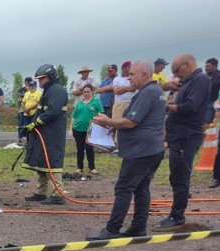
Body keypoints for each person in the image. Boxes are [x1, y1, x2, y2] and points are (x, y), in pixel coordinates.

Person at [86, 60, 166, 240]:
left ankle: (112, 229)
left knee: (123, 188)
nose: (129, 78)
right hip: (153, 149)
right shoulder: (156, 92)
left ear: (144, 75)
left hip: (141, 151)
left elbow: (131, 122)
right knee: (141, 188)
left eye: (132, 74)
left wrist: (108, 121)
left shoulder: (147, 93)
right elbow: (139, 120)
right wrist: (115, 126)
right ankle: (138, 227)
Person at [154, 53, 210, 230]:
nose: (176, 76)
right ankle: (175, 214)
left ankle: (177, 216)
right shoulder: (189, 82)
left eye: (176, 71)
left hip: (187, 135)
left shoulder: (200, 80)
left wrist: (166, 107)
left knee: (180, 175)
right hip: (179, 135)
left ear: (187, 65)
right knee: (176, 174)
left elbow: (190, 107)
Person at [21, 63, 69, 205]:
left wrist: (36, 123)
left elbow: (53, 112)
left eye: (42, 79)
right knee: (41, 160)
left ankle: (57, 194)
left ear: (51, 77)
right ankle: (41, 192)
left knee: (52, 162)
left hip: (53, 134)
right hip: (43, 133)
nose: (39, 81)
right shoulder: (48, 91)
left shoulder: (58, 91)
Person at [69, 84, 103, 178]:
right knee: (80, 148)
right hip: (78, 129)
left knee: (89, 148)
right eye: (84, 92)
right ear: (82, 93)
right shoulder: (79, 104)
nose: (86, 93)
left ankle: (92, 167)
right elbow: (73, 116)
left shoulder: (96, 102)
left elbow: (100, 114)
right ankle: (79, 167)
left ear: (91, 92)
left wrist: (97, 123)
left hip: (90, 129)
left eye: (88, 91)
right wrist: (71, 128)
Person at [19, 78, 41, 145]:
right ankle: (28, 142)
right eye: (30, 85)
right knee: (27, 128)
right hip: (26, 114)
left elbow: (37, 104)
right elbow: (22, 102)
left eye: (33, 85)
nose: (31, 87)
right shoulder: (26, 93)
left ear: (35, 86)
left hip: (34, 114)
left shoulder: (38, 93)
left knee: (33, 128)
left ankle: (34, 142)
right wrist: (25, 109)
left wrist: (28, 109)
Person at [204, 58, 220, 125]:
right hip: (202, 102)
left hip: (211, 102)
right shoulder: (206, 75)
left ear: (215, 66)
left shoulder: (219, 75)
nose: (206, 68)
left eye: (208, 66)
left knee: (207, 122)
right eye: (206, 66)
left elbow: (212, 85)